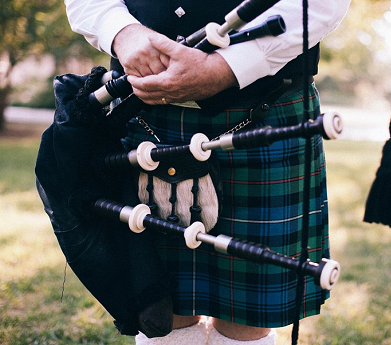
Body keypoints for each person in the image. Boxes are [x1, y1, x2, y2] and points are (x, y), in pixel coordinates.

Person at [63, 0, 350, 344]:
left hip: (266, 107)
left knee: (248, 316)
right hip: (142, 113)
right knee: (160, 308)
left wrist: (228, 67)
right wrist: (122, 32)